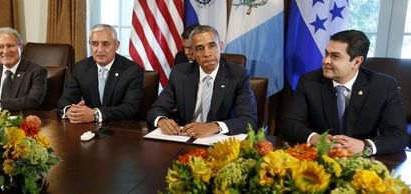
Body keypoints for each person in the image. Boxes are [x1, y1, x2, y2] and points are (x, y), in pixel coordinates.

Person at [280, 29, 408, 155]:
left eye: (335, 56)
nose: (325, 61)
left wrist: (365, 145)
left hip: (364, 163)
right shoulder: (309, 81)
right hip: (320, 156)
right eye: (326, 54)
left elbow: (399, 136)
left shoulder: (383, 86)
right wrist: (315, 138)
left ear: (356, 62)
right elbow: (289, 123)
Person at [147, 25, 257, 138]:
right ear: (192, 53)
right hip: (185, 137)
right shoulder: (180, 73)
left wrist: (214, 126)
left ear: (221, 46)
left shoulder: (238, 75)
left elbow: (249, 120)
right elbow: (157, 109)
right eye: (200, 48)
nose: (207, 54)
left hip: (218, 141)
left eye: (212, 46)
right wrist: (161, 120)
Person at [57, 24, 144, 124]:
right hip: (88, 127)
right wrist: (69, 111)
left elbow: (130, 107)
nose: (100, 50)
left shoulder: (133, 70)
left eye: (106, 44)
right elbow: (66, 98)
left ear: (117, 45)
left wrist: (96, 114)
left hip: (121, 128)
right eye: (94, 44)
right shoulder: (81, 67)